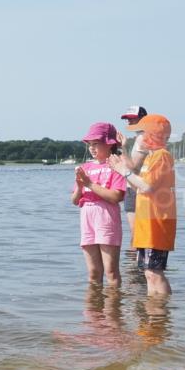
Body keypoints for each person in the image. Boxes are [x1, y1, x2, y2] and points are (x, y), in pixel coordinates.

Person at [109, 114, 176, 296]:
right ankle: (153, 312)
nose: (137, 138)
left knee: (155, 272)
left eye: (140, 133)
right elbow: (137, 184)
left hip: (157, 222)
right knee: (148, 273)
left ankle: (160, 313)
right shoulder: (151, 157)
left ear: (151, 136)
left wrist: (124, 171)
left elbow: (147, 187)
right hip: (147, 222)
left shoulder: (161, 156)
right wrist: (121, 165)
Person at [71, 122, 126, 288]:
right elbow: (74, 200)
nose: (92, 148)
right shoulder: (85, 167)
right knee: (94, 272)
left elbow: (115, 196)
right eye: (89, 145)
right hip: (87, 218)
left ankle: (113, 311)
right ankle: (94, 311)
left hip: (106, 217)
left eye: (96, 144)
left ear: (109, 144)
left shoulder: (116, 165)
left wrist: (89, 184)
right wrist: (80, 187)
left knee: (111, 272)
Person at [117, 105, 149, 237]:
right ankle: (135, 258)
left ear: (143, 119)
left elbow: (134, 168)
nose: (129, 121)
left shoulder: (143, 138)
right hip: (139, 187)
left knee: (136, 235)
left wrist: (122, 148)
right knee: (139, 235)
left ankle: (134, 258)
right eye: (127, 119)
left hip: (135, 188)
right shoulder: (142, 137)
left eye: (132, 118)